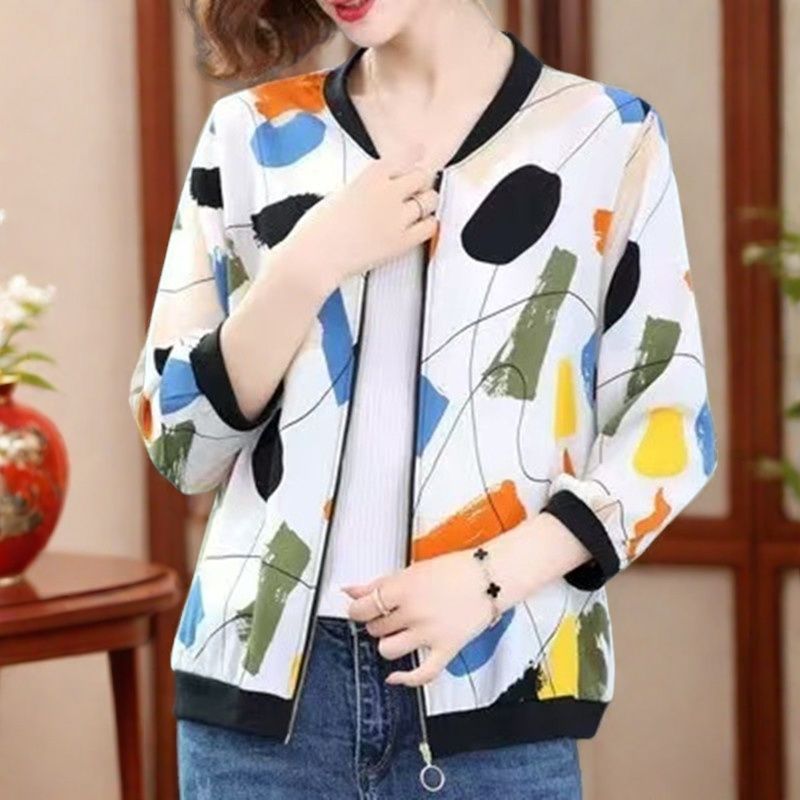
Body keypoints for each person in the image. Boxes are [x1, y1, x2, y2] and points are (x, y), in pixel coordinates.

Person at [128, 0, 719, 797]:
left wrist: (488, 579)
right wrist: (307, 263)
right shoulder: (249, 135)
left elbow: (670, 429)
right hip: (260, 712)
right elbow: (178, 444)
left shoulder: (605, 136)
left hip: (498, 693)